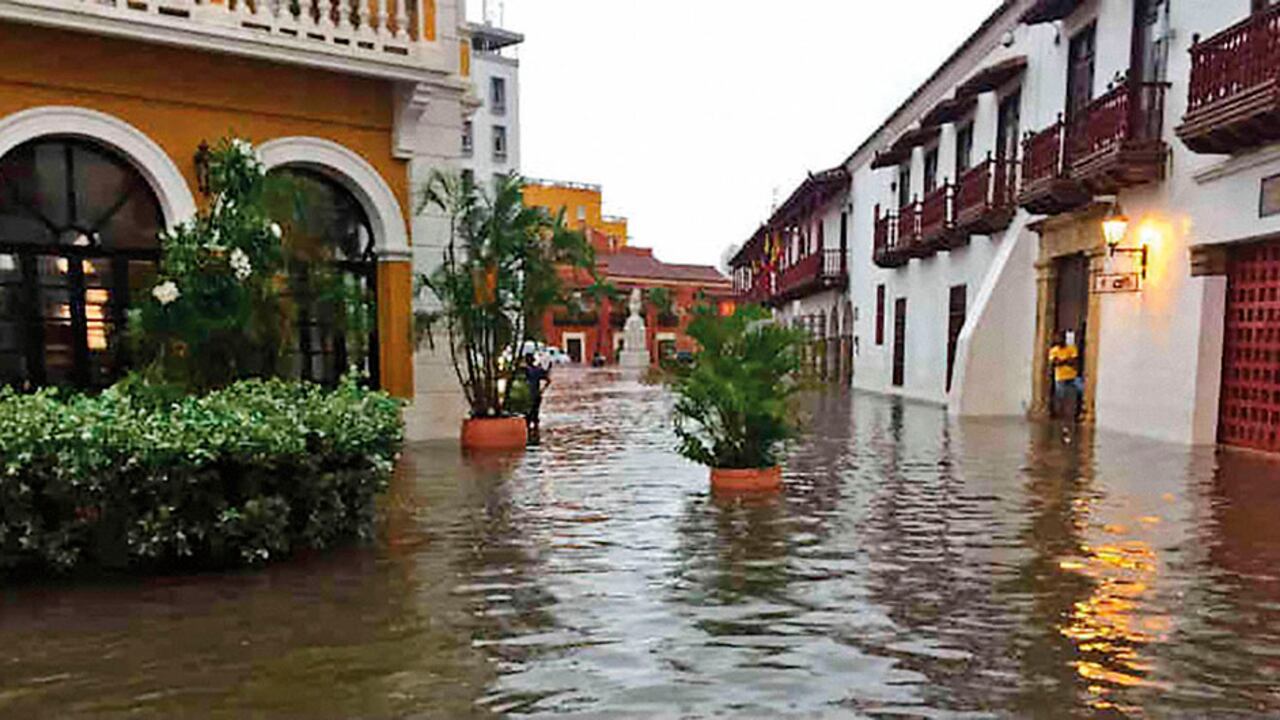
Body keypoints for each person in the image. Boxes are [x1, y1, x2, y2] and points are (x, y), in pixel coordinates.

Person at [1048, 331, 1083, 420]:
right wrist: (1067, 361)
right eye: (1057, 338)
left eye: (1061, 338)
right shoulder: (1053, 350)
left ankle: (1079, 412)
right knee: (1060, 396)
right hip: (1060, 377)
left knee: (1082, 390)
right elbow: (1055, 363)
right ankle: (1059, 413)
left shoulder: (1072, 348)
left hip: (1072, 376)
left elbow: (1075, 361)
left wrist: (1062, 361)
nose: (1059, 340)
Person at [523, 353, 551, 432]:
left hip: (528, 396)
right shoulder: (537, 370)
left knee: (529, 415)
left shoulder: (522, 370)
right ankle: (534, 432)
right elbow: (548, 380)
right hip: (535, 395)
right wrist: (542, 390)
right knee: (534, 415)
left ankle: (530, 431)